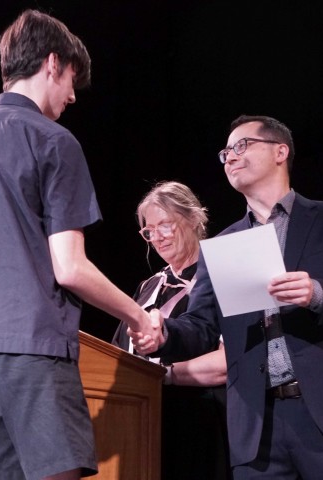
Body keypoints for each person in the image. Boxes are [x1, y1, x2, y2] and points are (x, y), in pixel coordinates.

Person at [0, 9, 155, 480]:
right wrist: (136, 315)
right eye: (72, 78)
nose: (73, 95)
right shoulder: (53, 141)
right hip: (30, 340)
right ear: (53, 63)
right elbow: (69, 267)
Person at [131, 115, 323, 479]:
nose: (231, 158)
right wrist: (164, 334)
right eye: (225, 153)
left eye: (242, 146)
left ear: (280, 151)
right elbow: (201, 327)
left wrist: (317, 292)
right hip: (257, 427)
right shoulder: (222, 245)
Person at [112, 181, 231, 480]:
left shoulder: (224, 269)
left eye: (165, 225)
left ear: (193, 218)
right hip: (143, 422)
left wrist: (157, 376)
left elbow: (231, 362)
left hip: (203, 424)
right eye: (149, 231)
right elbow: (115, 354)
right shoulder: (149, 285)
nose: (157, 238)